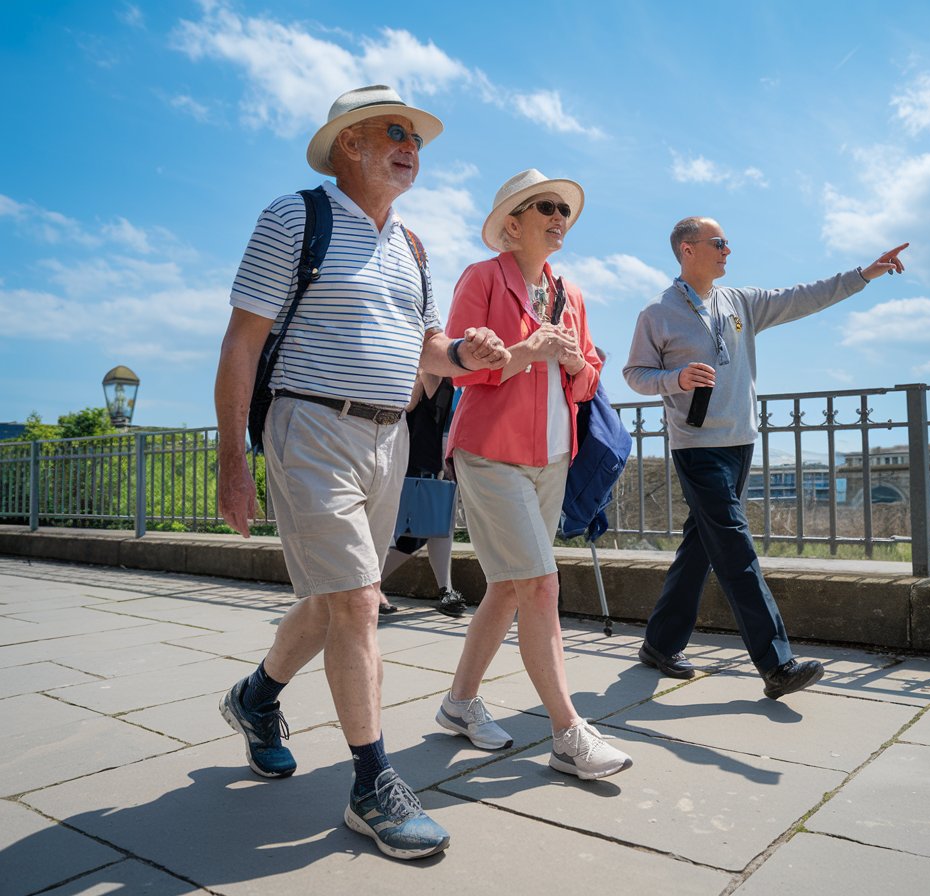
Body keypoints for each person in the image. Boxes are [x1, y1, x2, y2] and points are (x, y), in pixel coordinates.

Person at [214, 85, 510, 861]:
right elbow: (242, 342)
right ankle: (373, 783)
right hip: (310, 424)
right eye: (393, 132)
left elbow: (427, 350)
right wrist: (230, 462)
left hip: (389, 439)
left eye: (415, 136)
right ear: (348, 144)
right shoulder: (296, 217)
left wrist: (463, 356)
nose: (410, 145)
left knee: (341, 598)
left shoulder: (412, 246)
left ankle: (255, 698)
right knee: (356, 604)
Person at [623, 216, 908, 699]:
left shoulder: (740, 302)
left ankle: (659, 643)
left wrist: (863, 275)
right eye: (719, 242)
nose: (728, 250)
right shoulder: (658, 312)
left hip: (740, 444)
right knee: (735, 550)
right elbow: (635, 373)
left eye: (728, 242)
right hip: (697, 448)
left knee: (701, 545)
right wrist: (675, 380)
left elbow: (802, 297)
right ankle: (777, 664)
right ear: (688, 249)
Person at [434, 169, 633, 780]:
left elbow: (591, 374)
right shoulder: (482, 277)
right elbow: (459, 367)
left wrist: (574, 362)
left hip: (552, 457)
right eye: (544, 207)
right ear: (512, 225)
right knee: (540, 585)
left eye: (563, 210)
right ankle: (567, 732)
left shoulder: (569, 292)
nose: (558, 217)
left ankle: (459, 703)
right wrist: (528, 352)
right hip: (491, 453)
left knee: (508, 585)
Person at [378, 371, 466, 618]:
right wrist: (420, 373)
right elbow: (406, 407)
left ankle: (446, 590)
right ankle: (366, 585)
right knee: (415, 534)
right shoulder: (428, 374)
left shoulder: (460, 382)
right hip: (419, 465)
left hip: (444, 465)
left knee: (438, 527)